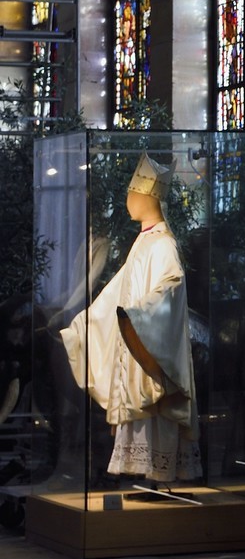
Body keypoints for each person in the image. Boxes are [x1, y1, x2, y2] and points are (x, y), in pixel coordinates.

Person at [61, 154, 198, 483]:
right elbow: (117, 292)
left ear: (145, 196)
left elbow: (172, 285)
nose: (127, 200)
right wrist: (86, 324)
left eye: (130, 193)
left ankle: (161, 480)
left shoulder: (163, 244)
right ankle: (148, 478)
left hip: (150, 350)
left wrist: (138, 316)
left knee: (154, 415)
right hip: (135, 344)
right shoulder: (144, 241)